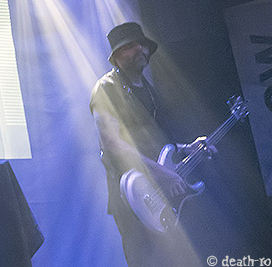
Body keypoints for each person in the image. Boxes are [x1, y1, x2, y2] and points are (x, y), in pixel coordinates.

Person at [89, 22, 213, 267]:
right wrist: (161, 173)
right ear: (115, 56)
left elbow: (154, 144)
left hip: (161, 194)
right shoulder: (106, 88)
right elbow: (112, 144)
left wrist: (187, 148)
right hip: (133, 196)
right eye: (130, 46)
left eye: (142, 44)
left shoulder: (148, 90)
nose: (139, 49)